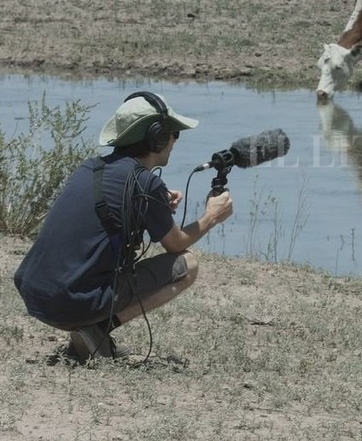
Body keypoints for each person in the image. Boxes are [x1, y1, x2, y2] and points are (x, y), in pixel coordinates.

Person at [14, 91, 233, 361]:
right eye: (173, 133)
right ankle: (98, 330)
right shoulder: (145, 183)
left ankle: (90, 335)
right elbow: (175, 243)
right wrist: (212, 215)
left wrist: (154, 201)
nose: (175, 141)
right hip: (70, 303)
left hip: (36, 294)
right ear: (157, 137)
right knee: (188, 265)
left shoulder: (90, 167)